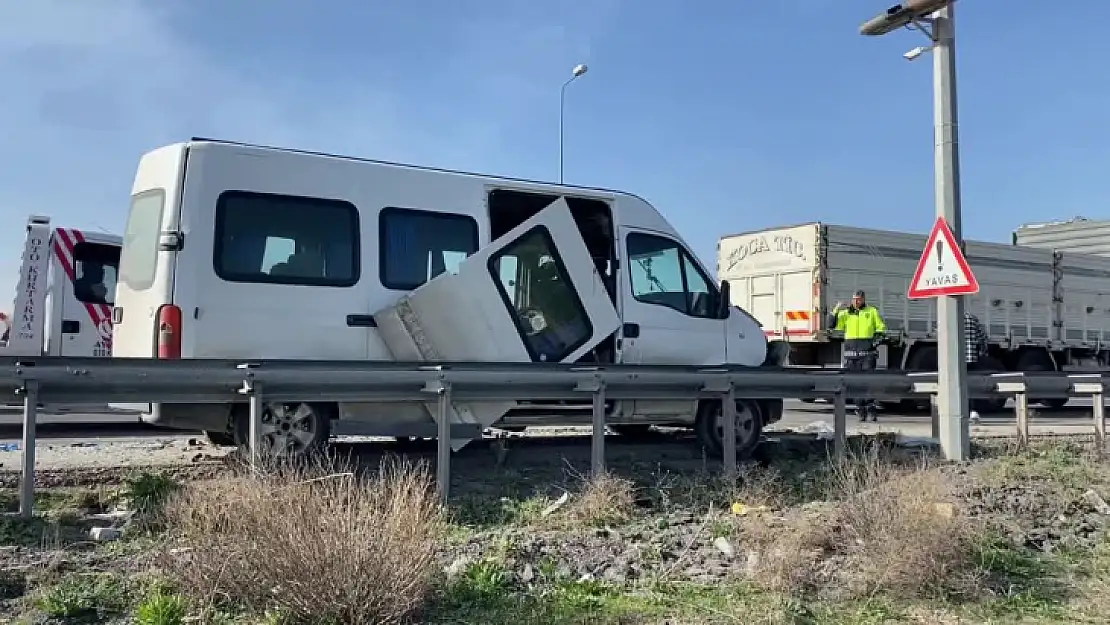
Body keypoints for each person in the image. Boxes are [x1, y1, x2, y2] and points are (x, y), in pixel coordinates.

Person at [830, 290, 887, 421]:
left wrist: (873, 344)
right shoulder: (846, 314)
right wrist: (836, 310)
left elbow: (881, 330)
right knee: (854, 383)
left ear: (863, 299)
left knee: (868, 381)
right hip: (851, 355)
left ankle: (871, 409)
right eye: (854, 299)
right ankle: (860, 409)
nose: (856, 301)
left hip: (867, 354)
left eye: (859, 299)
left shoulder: (871, 311)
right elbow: (831, 326)